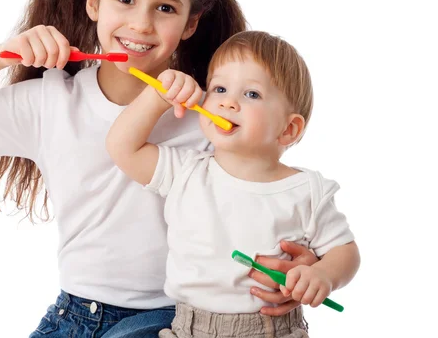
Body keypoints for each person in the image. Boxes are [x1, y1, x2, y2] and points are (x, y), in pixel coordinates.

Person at [0, 0, 317, 338]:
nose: (141, 24)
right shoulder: (51, 102)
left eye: (166, 8)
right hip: (73, 315)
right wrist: (0, 55)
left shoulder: (213, 117)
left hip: (172, 318)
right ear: (94, 2)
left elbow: (268, 198)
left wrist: (305, 265)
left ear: (191, 23)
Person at [106, 31, 360, 338]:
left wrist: (323, 274)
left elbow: (345, 252)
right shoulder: (185, 171)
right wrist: (157, 96)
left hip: (271, 330)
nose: (227, 102)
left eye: (251, 94)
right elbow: (123, 147)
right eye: (220, 88)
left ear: (289, 129)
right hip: (188, 327)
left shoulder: (305, 190)